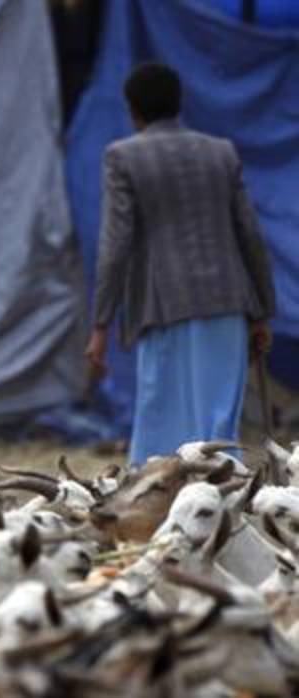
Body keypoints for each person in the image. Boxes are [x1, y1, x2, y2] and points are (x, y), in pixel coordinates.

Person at [85, 62, 275, 467]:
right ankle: (222, 512)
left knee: (161, 431)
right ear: (179, 103)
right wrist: (261, 312)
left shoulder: (122, 156)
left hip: (164, 307)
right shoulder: (220, 151)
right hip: (228, 304)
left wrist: (101, 324)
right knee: (218, 429)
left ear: (133, 109)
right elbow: (249, 235)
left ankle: (159, 514)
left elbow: (115, 244)